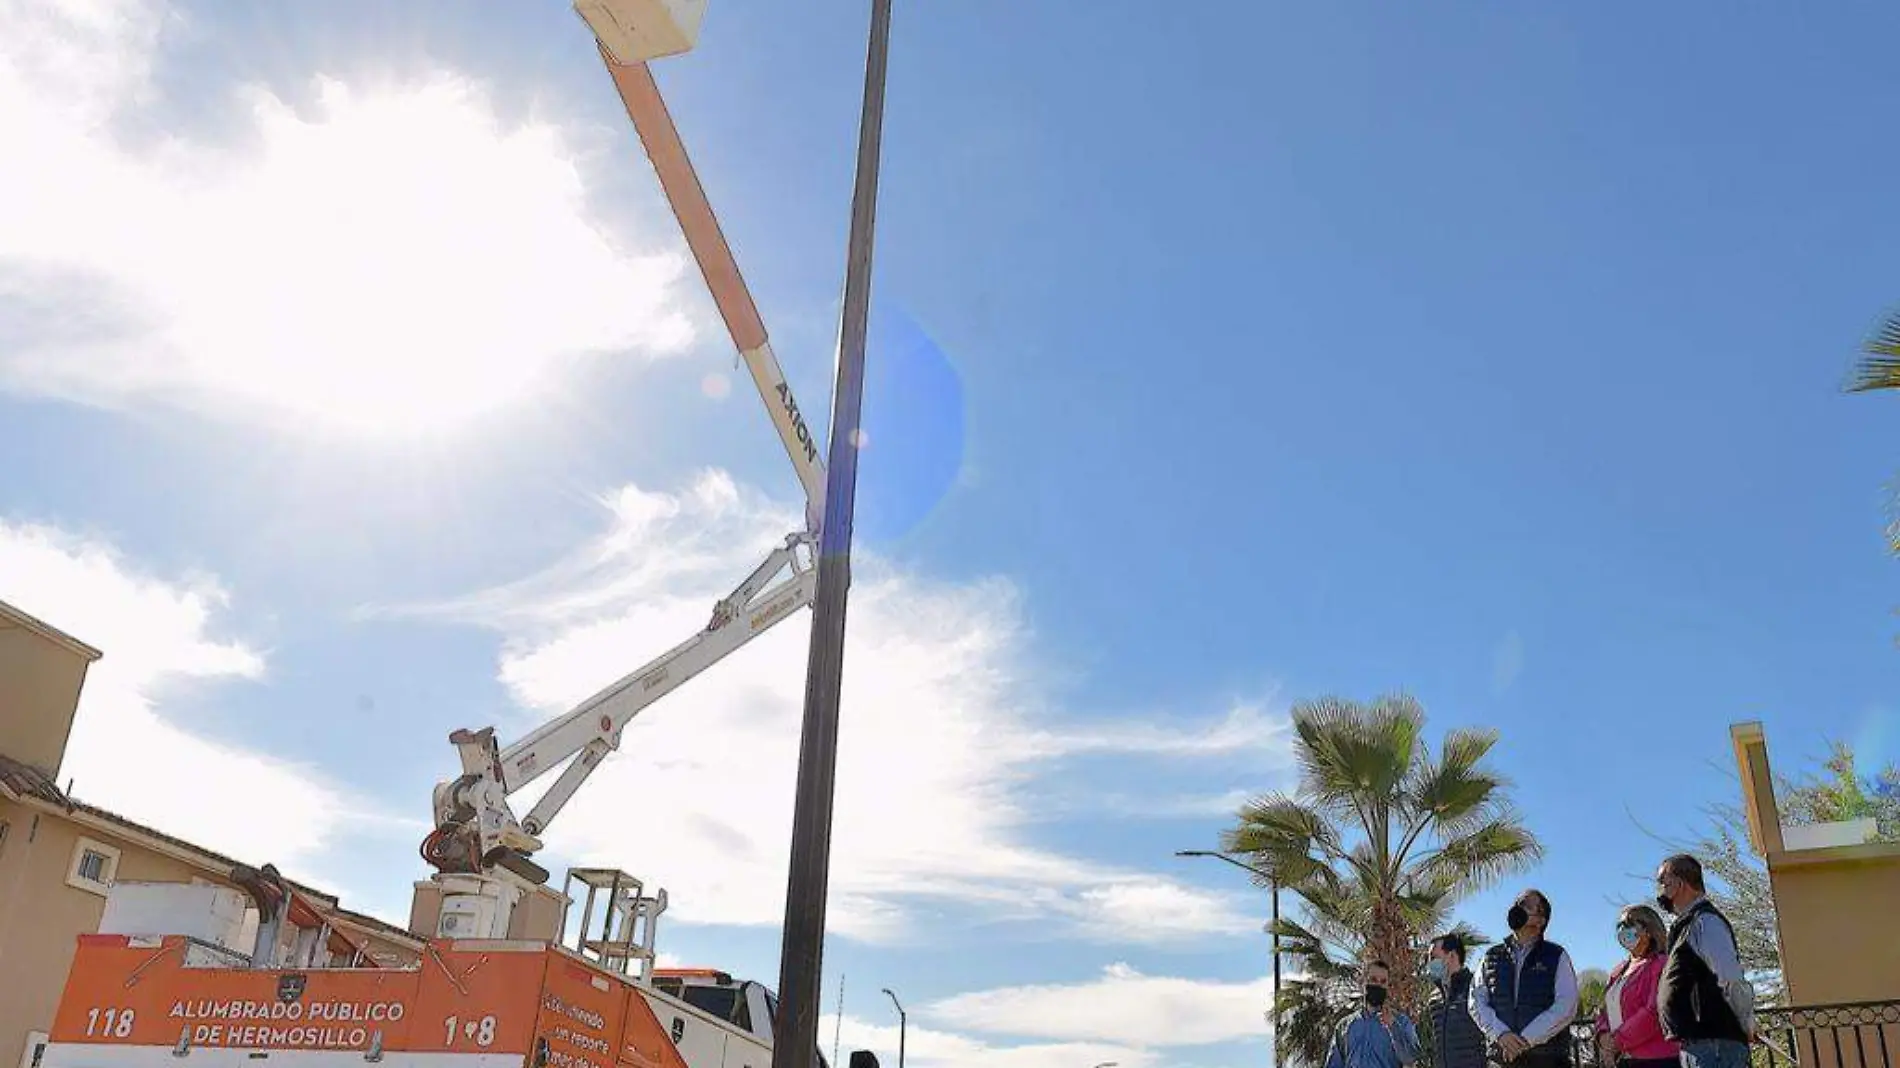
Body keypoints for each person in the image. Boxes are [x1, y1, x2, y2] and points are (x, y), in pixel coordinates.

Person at [1653, 854, 1755, 1068]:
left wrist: (1746, 1020)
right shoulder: (1686, 925)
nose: (1659, 886)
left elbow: (1730, 977)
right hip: (1699, 1045)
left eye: (1663, 880)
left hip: (1716, 1045)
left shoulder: (1706, 922)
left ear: (1680, 882)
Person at [1470, 889, 1580, 1068]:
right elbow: (1476, 1001)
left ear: (1541, 919)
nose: (1517, 909)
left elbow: (1567, 1004)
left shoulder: (1557, 956)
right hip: (1502, 1058)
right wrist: (1501, 1034)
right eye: (1517, 904)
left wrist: (1526, 1039)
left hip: (1547, 1059)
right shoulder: (1490, 956)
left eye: (1526, 905)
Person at [1593, 904, 1679, 1068]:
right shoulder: (1618, 971)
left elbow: (1655, 1010)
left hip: (1657, 1059)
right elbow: (1604, 1010)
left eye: (1628, 924)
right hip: (1624, 1059)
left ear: (1648, 930)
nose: (1622, 930)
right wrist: (1603, 1036)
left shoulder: (1662, 964)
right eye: (1619, 925)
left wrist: (1618, 1040)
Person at [1325, 959, 1421, 1068]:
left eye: (1383, 982)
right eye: (1373, 980)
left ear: (1388, 986)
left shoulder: (1401, 1022)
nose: (1378, 985)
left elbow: (1411, 1059)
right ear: (1363, 982)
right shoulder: (1344, 1026)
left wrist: (1393, 1027)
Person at [1426, 933, 1486, 1068]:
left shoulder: (1475, 989)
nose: (1429, 963)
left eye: (1434, 957)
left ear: (1452, 955)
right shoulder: (1434, 998)